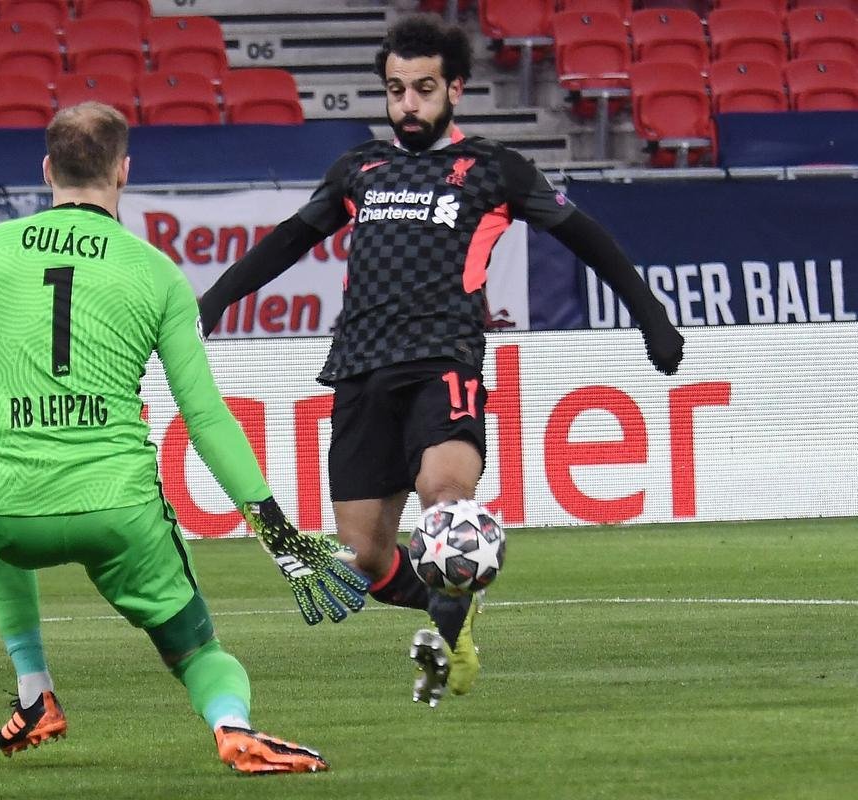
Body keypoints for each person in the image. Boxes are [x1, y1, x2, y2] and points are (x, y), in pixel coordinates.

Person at [0, 102, 368, 774]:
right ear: (123, 172)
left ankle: (34, 689)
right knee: (196, 650)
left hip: (9, 509)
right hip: (118, 512)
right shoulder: (156, 272)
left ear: (46, 169)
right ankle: (231, 726)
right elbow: (205, 415)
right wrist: (274, 530)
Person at [197, 15, 685, 707]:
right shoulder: (359, 169)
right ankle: (448, 608)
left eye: (423, 88)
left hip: (441, 361)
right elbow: (287, 240)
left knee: (446, 502)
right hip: (359, 366)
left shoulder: (492, 169)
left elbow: (586, 236)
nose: (408, 104)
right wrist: (214, 302)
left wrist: (650, 316)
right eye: (396, 89)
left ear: (453, 87)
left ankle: (453, 598)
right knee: (362, 561)